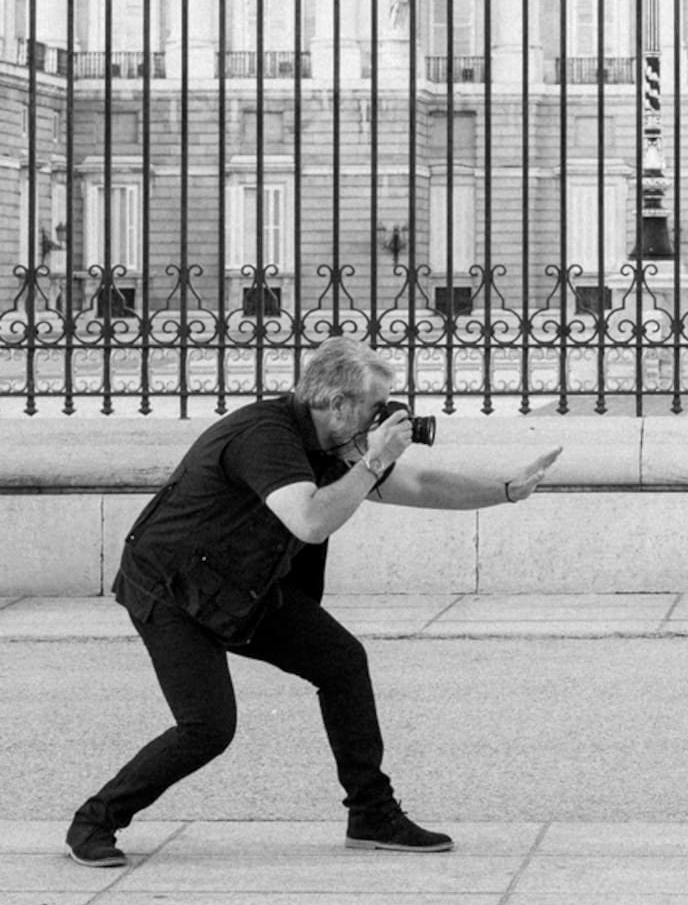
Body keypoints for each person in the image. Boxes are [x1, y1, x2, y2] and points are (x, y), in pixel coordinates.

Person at [66, 337, 561, 868]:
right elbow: (310, 518)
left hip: (244, 585)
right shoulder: (266, 437)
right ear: (338, 404)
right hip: (171, 587)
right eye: (377, 407)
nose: (386, 417)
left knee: (342, 663)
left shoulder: (337, 445)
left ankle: (372, 814)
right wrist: (372, 460)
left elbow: (416, 483)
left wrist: (505, 489)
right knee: (208, 727)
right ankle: (93, 822)